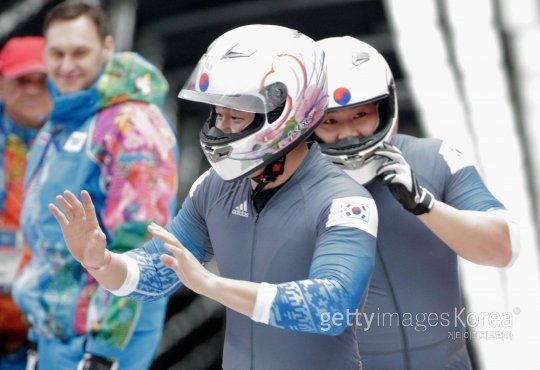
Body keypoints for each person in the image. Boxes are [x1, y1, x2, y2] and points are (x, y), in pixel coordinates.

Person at [49, 24, 378, 370]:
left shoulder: (345, 202)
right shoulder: (215, 186)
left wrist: (210, 284)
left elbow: (332, 308)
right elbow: (153, 274)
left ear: (287, 110)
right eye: (218, 115)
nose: (222, 129)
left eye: (235, 116)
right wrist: (99, 260)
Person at [312, 36, 519, 370]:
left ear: (384, 107)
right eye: (330, 121)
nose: (348, 134)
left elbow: (502, 249)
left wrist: (425, 205)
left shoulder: (435, 159)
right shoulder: (285, 189)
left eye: (361, 114)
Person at [11, 2, 179, 370]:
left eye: (80, 52)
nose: (67, 65)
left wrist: (105, 353)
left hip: (96, 344)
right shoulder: (64, 123)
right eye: (57, 53)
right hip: (55, 336)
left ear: (106, 48)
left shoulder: (130, 126)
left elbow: (141, 245)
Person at [0, 36, 51, 370]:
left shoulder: (84, 141)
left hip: (43, 325)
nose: (33, 89)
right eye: (22, 80)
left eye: (42, 81)